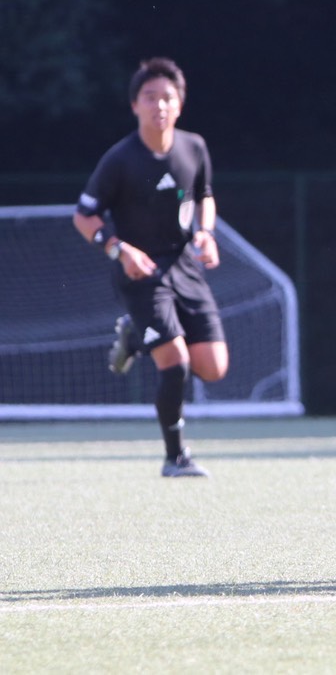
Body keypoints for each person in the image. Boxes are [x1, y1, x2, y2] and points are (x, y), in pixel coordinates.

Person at [71, 57, 226, 478]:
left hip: (185, 267)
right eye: (150, 97)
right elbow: (84, 216)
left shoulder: (194, 147)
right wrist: (118, 249)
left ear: (180, 105)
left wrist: (206, 233)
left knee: (213, 367)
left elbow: (204, 194)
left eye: (167, 98)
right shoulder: (120, 159)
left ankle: (136, 337)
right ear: (134, 105)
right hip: (140, 273)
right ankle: (175, 458)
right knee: (175, 362)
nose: (159, 105)